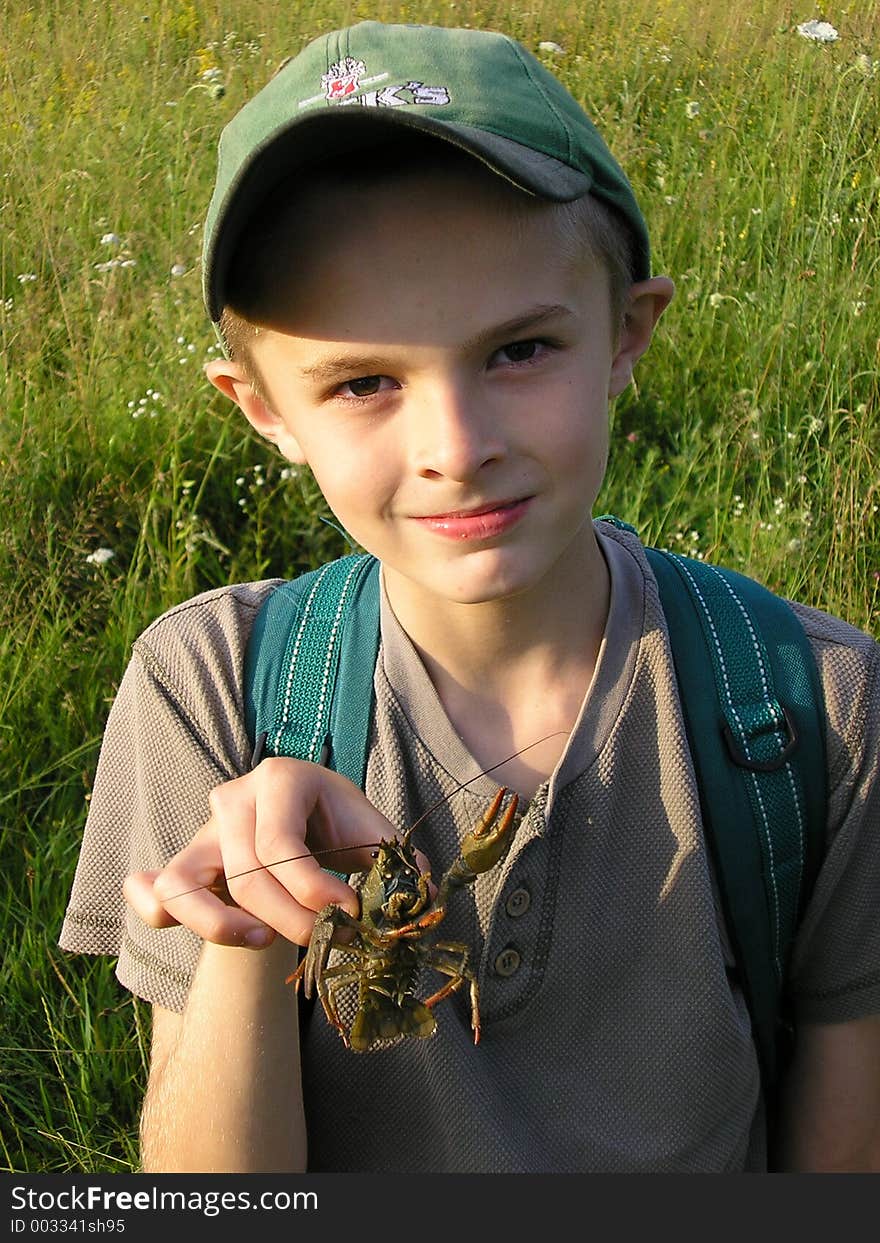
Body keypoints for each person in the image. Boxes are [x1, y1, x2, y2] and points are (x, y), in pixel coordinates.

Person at [60, 20, 880, 1174]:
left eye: (518, 352)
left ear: (625, 336)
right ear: (262, 409)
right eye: (363, 381)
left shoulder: (820, 710)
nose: (456, 447)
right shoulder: (213, 686)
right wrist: (243, 924)